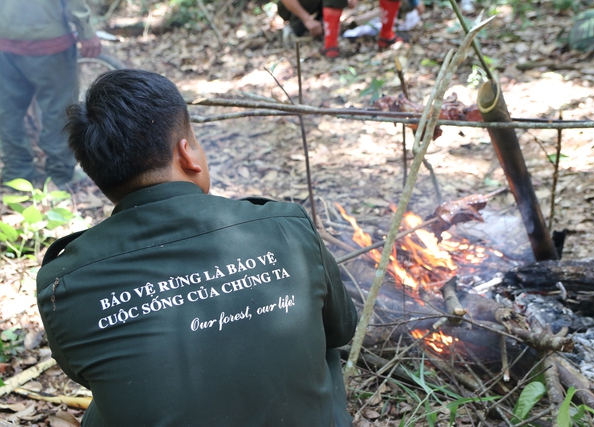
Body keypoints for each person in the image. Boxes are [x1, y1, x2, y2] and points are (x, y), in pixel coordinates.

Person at [36, 69, 358, 426]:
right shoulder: (284, 226)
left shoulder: (63, 281)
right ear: (187, 153)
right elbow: (342, 329)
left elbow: (89, 374)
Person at [0, 0, 101, 187]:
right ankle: (60, 175)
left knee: (8, 111)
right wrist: (86, 32)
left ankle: (16, 173)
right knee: (59, 110)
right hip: (49, 43)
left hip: (5, 42)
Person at [278, 0, 406, 57]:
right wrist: (307, 19)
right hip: (295, 6)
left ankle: (387, 35)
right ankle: (330, 45)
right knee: (298, 28)